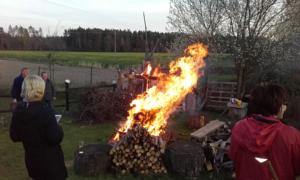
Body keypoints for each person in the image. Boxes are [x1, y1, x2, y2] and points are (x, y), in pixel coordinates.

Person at [229, 84, 300, 180]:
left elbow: (234, 157)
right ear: (277, 106)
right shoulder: (292, 135)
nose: (285, 107)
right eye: (283, 104)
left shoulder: (239, 127)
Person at [9, 75, 67, 180]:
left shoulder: (19, 112)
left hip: (32, 160)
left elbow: (14, 136)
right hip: (50, 163)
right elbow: (55, 138)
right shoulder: (46, 111)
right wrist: (59, 128)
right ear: (41, 89)